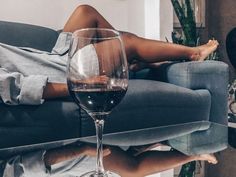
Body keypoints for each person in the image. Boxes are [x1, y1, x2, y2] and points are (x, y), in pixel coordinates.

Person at [0, 4, 219, 177]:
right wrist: (77, 85)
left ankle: (134, 64)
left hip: (52, 59)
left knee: (85, 13)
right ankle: (190, 54)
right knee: (128, 43)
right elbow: (16, 87)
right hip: (60, 75)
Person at [1, 142, 217, 177]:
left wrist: (81, 150)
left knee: (131, 169)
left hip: (59, 158)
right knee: (129, 155)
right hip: (55, 164)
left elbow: (22, 167)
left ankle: (194, 154)